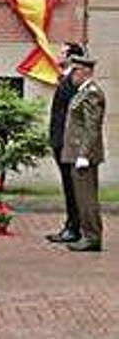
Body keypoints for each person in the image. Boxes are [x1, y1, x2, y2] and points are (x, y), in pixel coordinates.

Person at [61, 54, 106, 252]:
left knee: (87, 198)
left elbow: (92, 127)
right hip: (76, 152)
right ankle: (89, 235)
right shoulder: (82, 92)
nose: (72, 75)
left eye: (75, 71)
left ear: (86, 71)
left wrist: (84, 155)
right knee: (82, 197)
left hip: (83, 155)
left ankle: (92, 237)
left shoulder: (92, 93)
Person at [45, 42, 85, 244]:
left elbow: (73, 116)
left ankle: (74, 228)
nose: (58, 55)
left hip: (67, 143)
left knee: (72, 187)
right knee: (68, 185)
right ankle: (71, 225)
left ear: (72, 57)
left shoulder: (73, 81)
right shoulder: (66, 79)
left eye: (62, 52)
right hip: (60, 141)